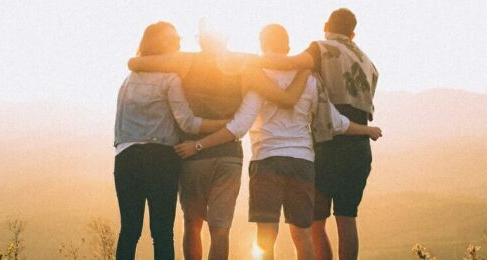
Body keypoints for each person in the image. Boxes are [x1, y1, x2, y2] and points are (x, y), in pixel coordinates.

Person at [127, 22, 309, 260]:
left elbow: (135, 63)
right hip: (228, 157)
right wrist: (307, 65)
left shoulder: (185, 61)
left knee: (192, 225)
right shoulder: (244, 64)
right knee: (220, 230)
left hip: (191, 155)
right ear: (226, 37)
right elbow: (285, 97)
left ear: (201, 38)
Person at [256, 8, 380, 260]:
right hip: (359, 145)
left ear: (326, 25)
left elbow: (289, 64)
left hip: (328, 144)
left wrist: (245, 62)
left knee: (314, 220)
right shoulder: (369, 63)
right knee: (347, 217)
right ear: (352, 33)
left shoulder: (321, 48)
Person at [113, 21, 228, 260]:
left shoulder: (128, 80)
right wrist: (221, 124)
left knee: (129, 231)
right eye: (173, 39)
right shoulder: (170, 79)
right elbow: (187, 123)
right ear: (161, 44)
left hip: (126, 158)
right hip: (160, 159)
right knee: (162, 232)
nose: (178, 42)